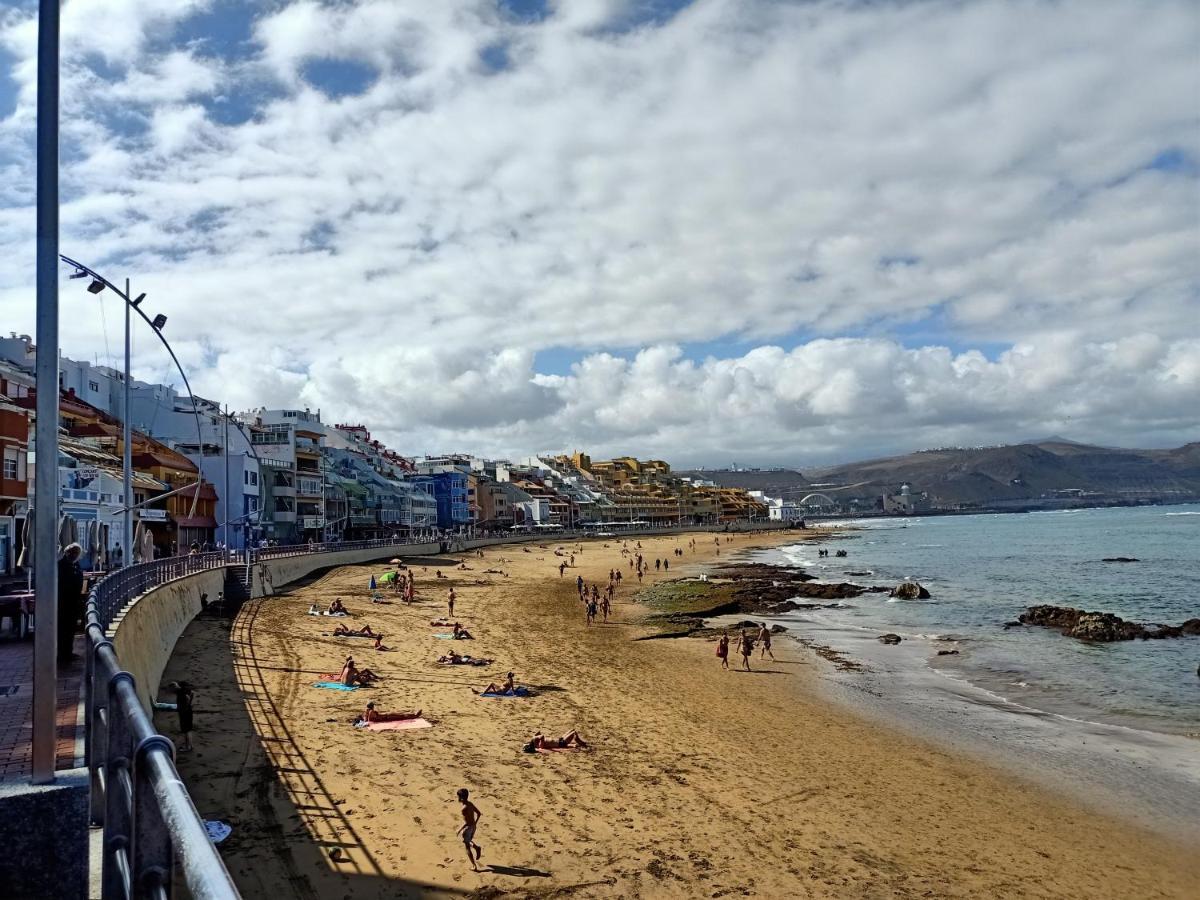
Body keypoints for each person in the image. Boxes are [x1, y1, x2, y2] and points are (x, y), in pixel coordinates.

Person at [57, 543, 85, 663]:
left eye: (77, 554)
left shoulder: (76, 565)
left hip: (74, 601)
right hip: (64, 602)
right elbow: (63, 583)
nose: (76, 556)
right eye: (74, 553)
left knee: (71, 628)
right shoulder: (61, 566)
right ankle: (62, 654)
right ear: (68, 553)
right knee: (63, 629)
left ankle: (68, 652)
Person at [456, 788, 483, 871]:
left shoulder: (463, 809)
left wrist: (459, 829)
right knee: (468, 841)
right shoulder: (470, 804)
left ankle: (474, 865)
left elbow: (466, 823)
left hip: (468, 828)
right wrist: (475, 823)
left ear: (461, 798)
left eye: (458, 797)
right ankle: (476, 848)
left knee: (467, 847)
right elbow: (478, 813)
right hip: (474, 827)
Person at [168, 680, 195, 751]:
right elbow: (192, 693)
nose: (171, 692)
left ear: (174, 687)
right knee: (188, 729)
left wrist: (185, 706)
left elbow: (187, 698)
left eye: (171, 690)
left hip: (184, 713)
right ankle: (190, 745)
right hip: (189, 711)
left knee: (185, 730)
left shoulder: (180, 692)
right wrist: (189, 704)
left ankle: (188, 747)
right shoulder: (184, 688)